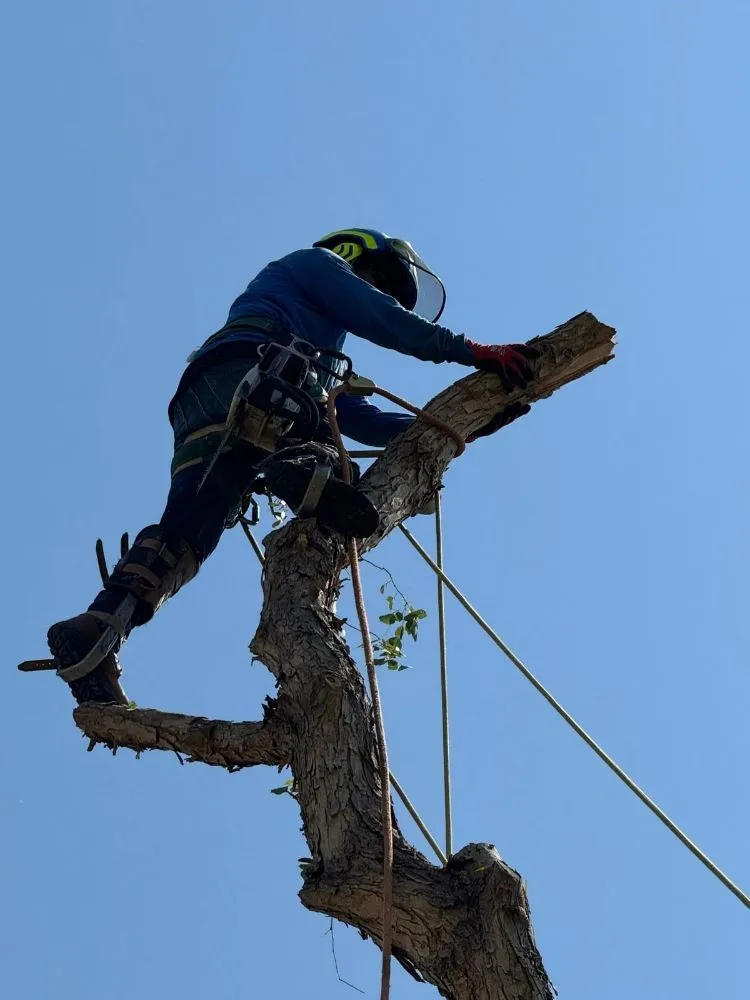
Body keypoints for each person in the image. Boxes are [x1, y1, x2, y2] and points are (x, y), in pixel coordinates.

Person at [46, 228, 538, 706]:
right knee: (330, 459)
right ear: (357, 256)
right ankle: (303, 467)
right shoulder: (313, 265)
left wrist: (464, 426)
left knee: (187, 534)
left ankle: (99, 631)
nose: (378, 294)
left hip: (209, 403)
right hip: (263, 374)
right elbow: (379, 317)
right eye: (380, 281)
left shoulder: (318, 343)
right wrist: (470, 351)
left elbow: (357, 417)